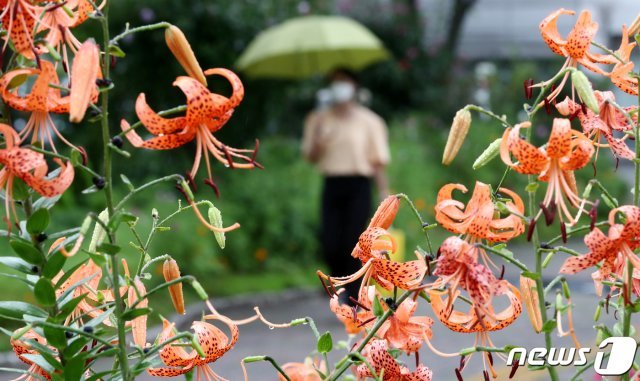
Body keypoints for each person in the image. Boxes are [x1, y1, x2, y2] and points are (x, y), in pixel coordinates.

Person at [302, 68, 390, 302]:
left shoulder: (370, 121)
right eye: (335, 82)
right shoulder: (318, 119)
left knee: (355, 239)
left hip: (359, 185)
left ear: (355, 87)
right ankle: (339, 285)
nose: (340, 87)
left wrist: (384, 193)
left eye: (344, 82)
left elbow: (377, 161)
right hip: (332, 183)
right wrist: (319, 136)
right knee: (330, 240)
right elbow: (310, 156)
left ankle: (354, 294)